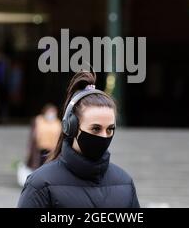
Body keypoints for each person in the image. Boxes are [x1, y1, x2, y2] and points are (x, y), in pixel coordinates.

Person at [17, 70, 140, 208]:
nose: (104, 136)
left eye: (110, 129)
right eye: (95, 128)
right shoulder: (41, 184)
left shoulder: (125, 183)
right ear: (72, 127)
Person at [17, 103, 61, 187]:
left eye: (53, 112)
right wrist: (29, 150)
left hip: (52, 151)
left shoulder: (57, 123)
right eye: (50, 112)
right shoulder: (39, 120)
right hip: (40, 150)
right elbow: (33, 136)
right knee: (38, 168)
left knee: (49, 169)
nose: (51, 114)